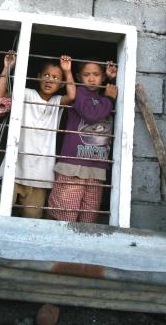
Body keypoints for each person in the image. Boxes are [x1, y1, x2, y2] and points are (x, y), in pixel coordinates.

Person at [0, 52, 75, 218]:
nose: (49, 80)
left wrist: (67, 71)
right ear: (39, 77)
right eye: (46, 75)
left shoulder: (56, 102)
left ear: (61, 84)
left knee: (32, 219)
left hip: (40, 174)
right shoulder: (27, 94)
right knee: (2, 214)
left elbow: (72, 96)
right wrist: (7, 68)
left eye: (55, 77)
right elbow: (0, 96)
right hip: (15, 168)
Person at [47, 60, 117, 223]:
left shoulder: (105, 97)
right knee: (66, 218)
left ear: (103, 78)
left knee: (88, 219)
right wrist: (109, 99)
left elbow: (106, 105)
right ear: (79, 77)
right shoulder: (78, 93)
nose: (92, 79)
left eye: (96, 75)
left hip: (97, 167)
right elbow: (91, 114)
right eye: (87, 75)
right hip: (73, 167)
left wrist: (112, 81)